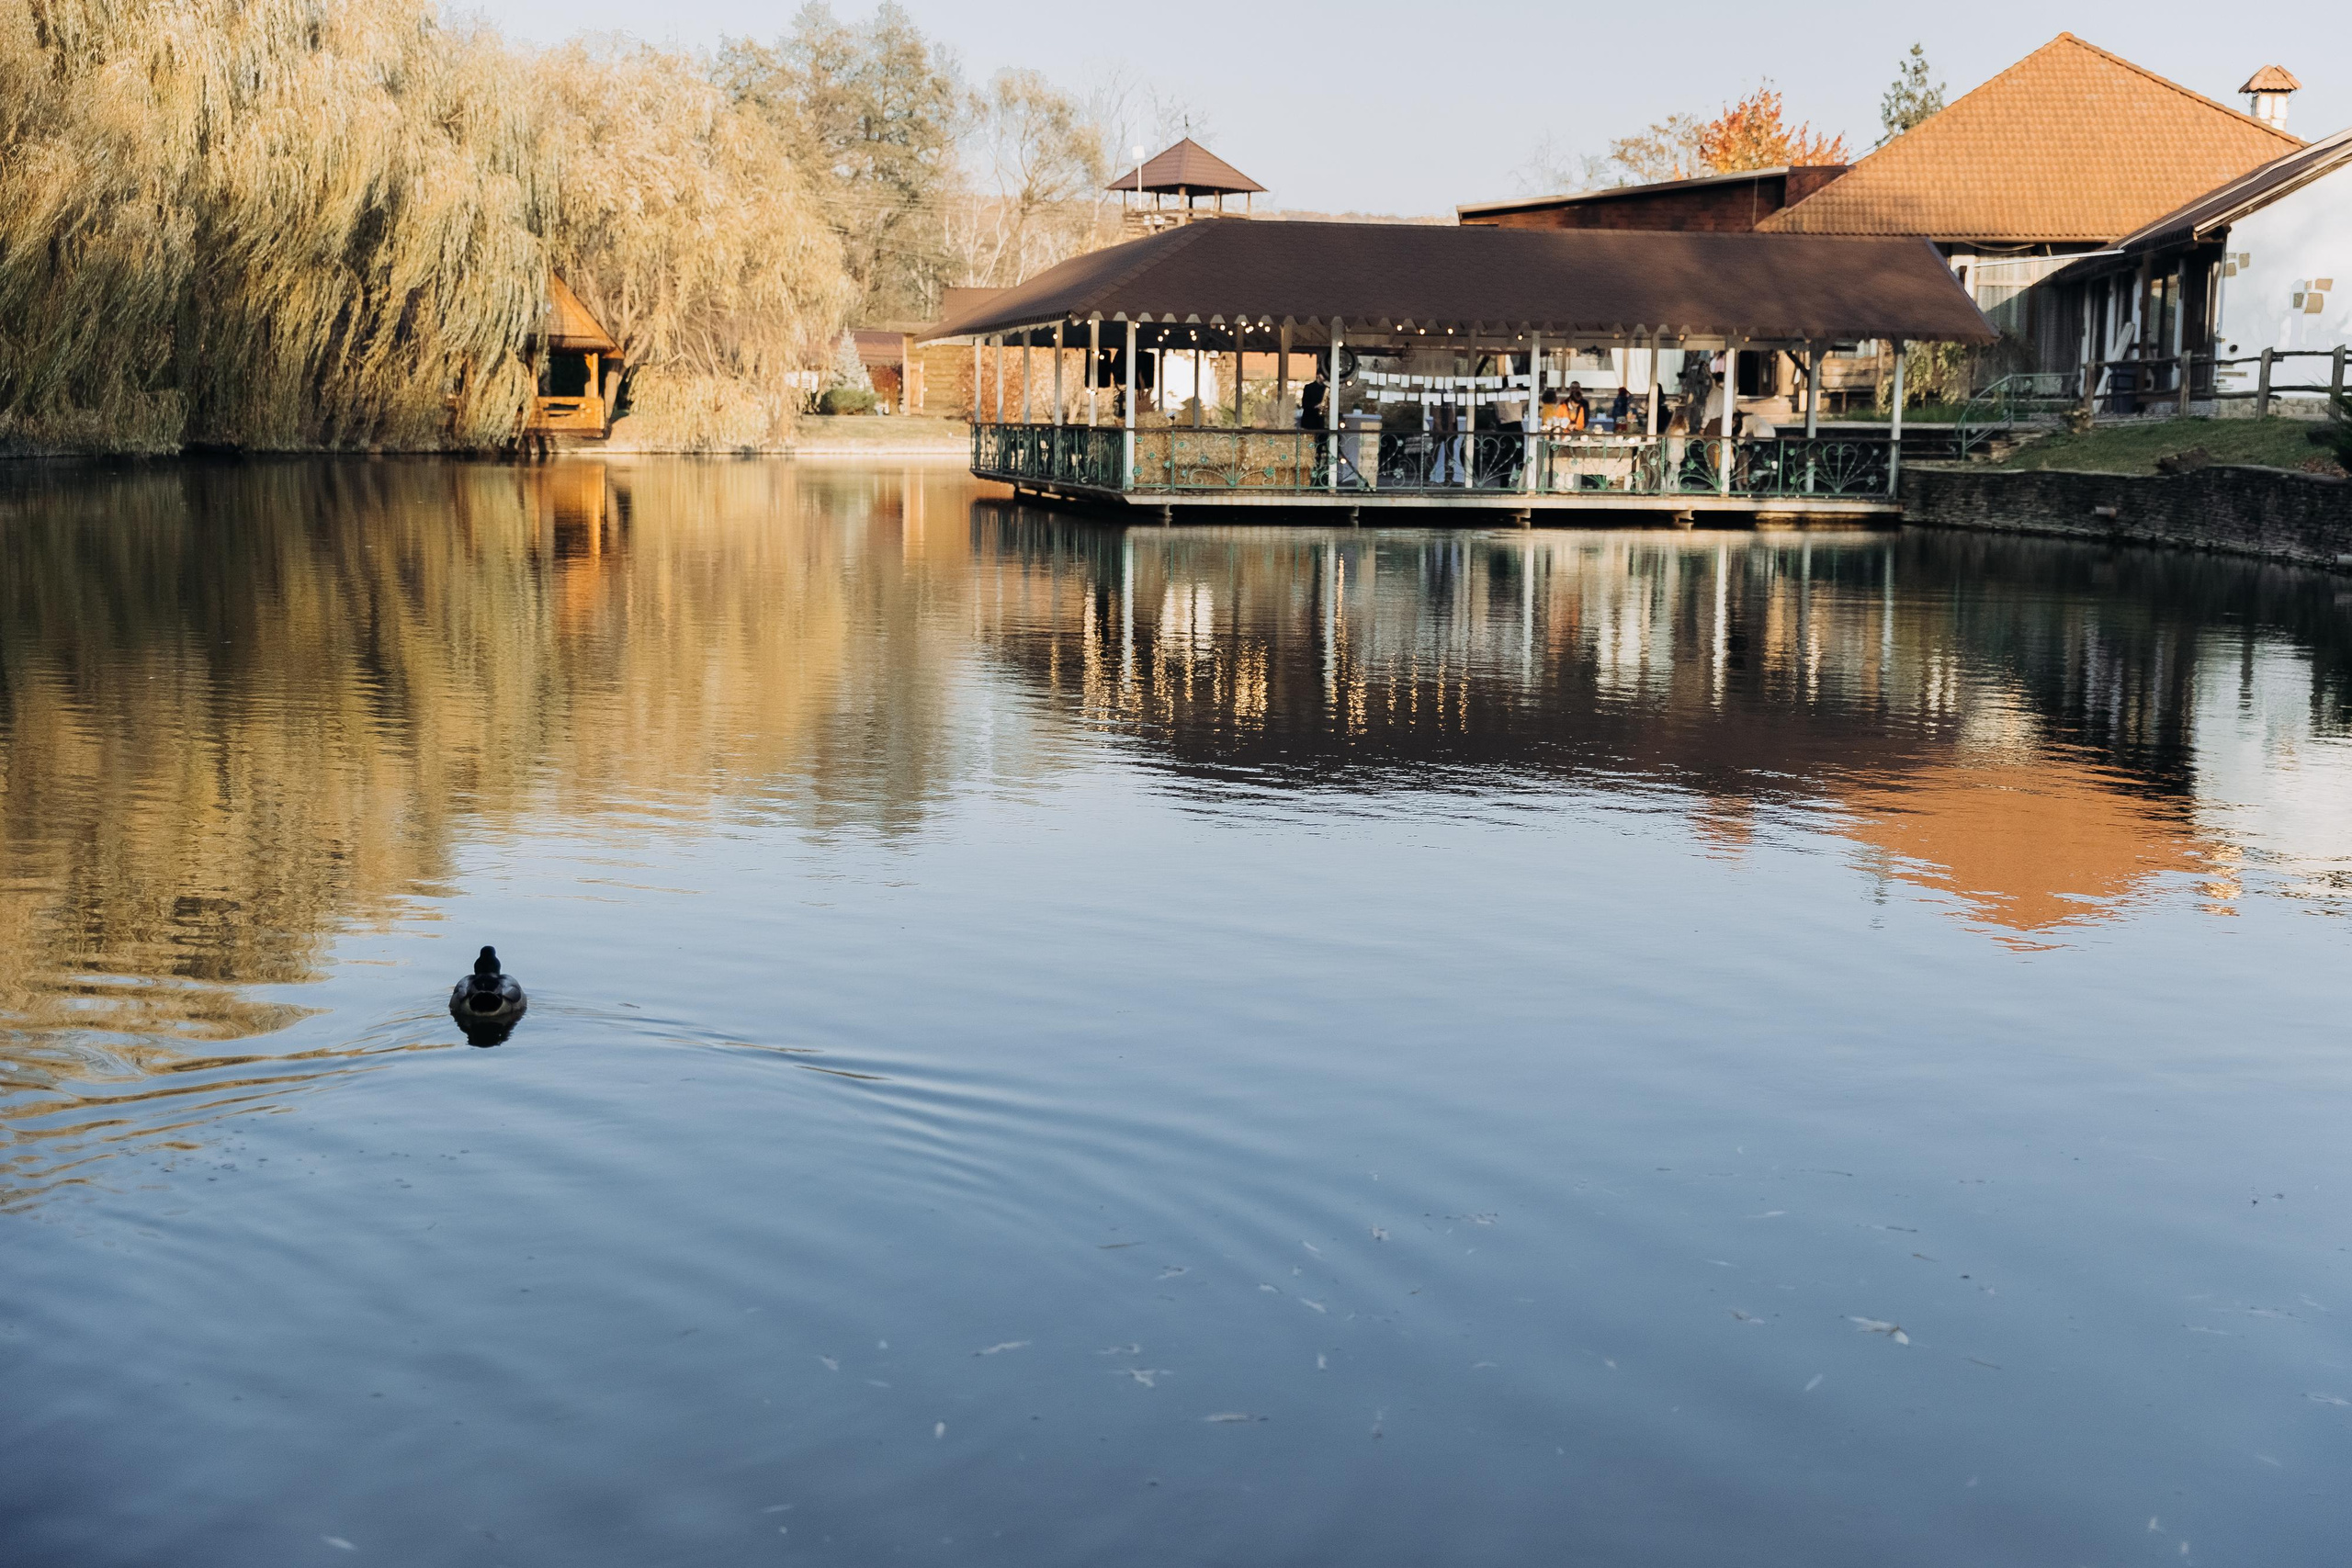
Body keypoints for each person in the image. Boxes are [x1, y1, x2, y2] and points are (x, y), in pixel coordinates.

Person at [1297, 365, 1329, 430]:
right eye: (1323, 375)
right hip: (1310, 421)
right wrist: (1316, 406)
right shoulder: (1309, 387)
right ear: (1318, 375)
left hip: (1322, 422)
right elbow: (1305, 404)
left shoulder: (1326, 388)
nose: (1325, 377)